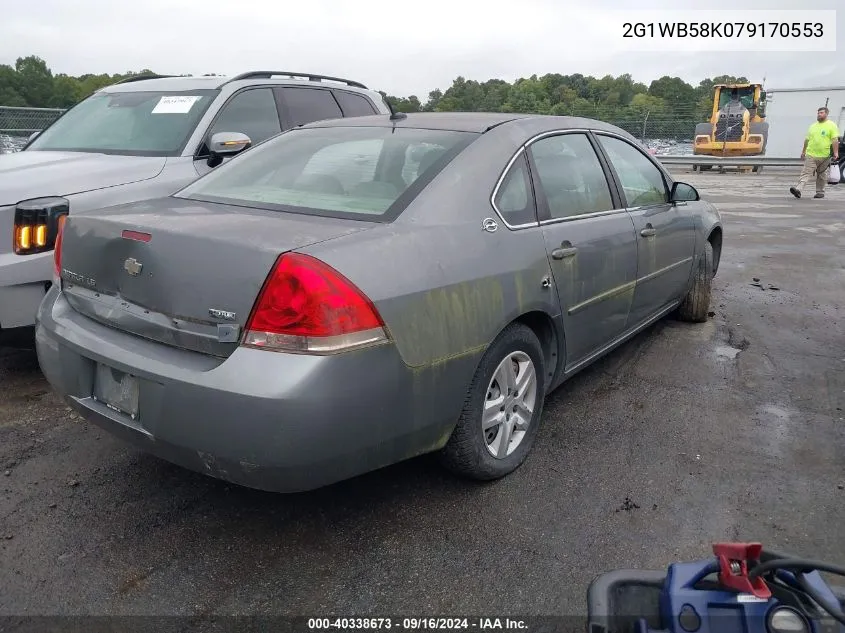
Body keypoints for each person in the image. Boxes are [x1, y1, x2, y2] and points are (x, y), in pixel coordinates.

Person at [790, 106, 840, 199]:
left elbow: (834, 140)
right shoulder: (813, 126)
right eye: (818, 113)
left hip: (825, 156)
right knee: (806, 173)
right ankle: (798, 189)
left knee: (821, 174)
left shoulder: (831, 125)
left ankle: (820, 192)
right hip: (811, 154)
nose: (819, 114)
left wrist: (836, 153)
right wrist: (803, 151)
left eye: (821, 113)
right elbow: (807, 140)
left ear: (826, 114)